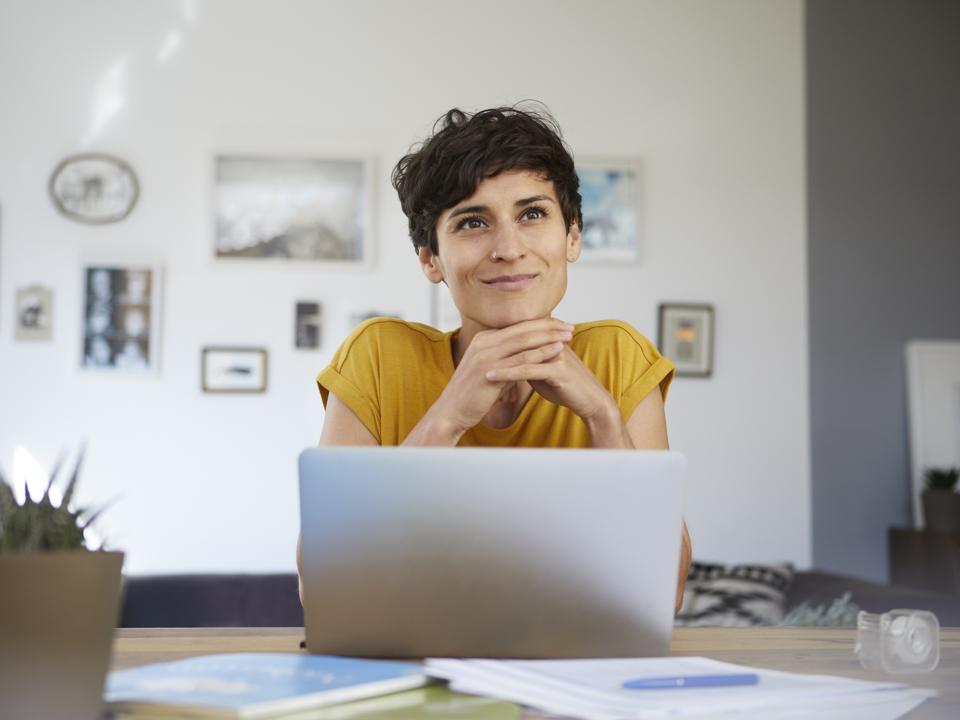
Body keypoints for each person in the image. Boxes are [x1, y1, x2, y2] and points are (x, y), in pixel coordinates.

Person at [298, 105, 692, 612]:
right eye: (472, 222)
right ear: (430, 258)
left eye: (532, 214)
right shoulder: (377, 357)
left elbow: (666, 592)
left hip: (576, 671)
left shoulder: (618, 356)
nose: (508, 248)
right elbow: (324, 588)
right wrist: (447, 418)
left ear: (572, 235)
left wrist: (603, 417)